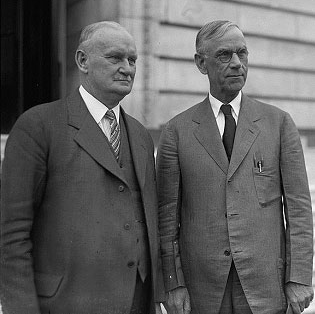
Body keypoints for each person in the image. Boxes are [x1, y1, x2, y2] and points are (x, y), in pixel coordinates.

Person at [1, 21, 165, 314]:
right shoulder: (38, 125)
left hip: (136, 303)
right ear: (82, 61)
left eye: (132, 60)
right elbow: (12, 234)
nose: (127, 68)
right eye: (115, 58)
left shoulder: (140, 135)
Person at [156, 20, 313, 314]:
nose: (237, 63)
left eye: (242, 53)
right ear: (201, 63)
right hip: (202, 292)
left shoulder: (278, 124)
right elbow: (166, 220)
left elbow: (299, 210)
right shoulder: (176, 132)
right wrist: (172, 282)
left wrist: (299, 277)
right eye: (224, 55)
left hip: (265, 288)